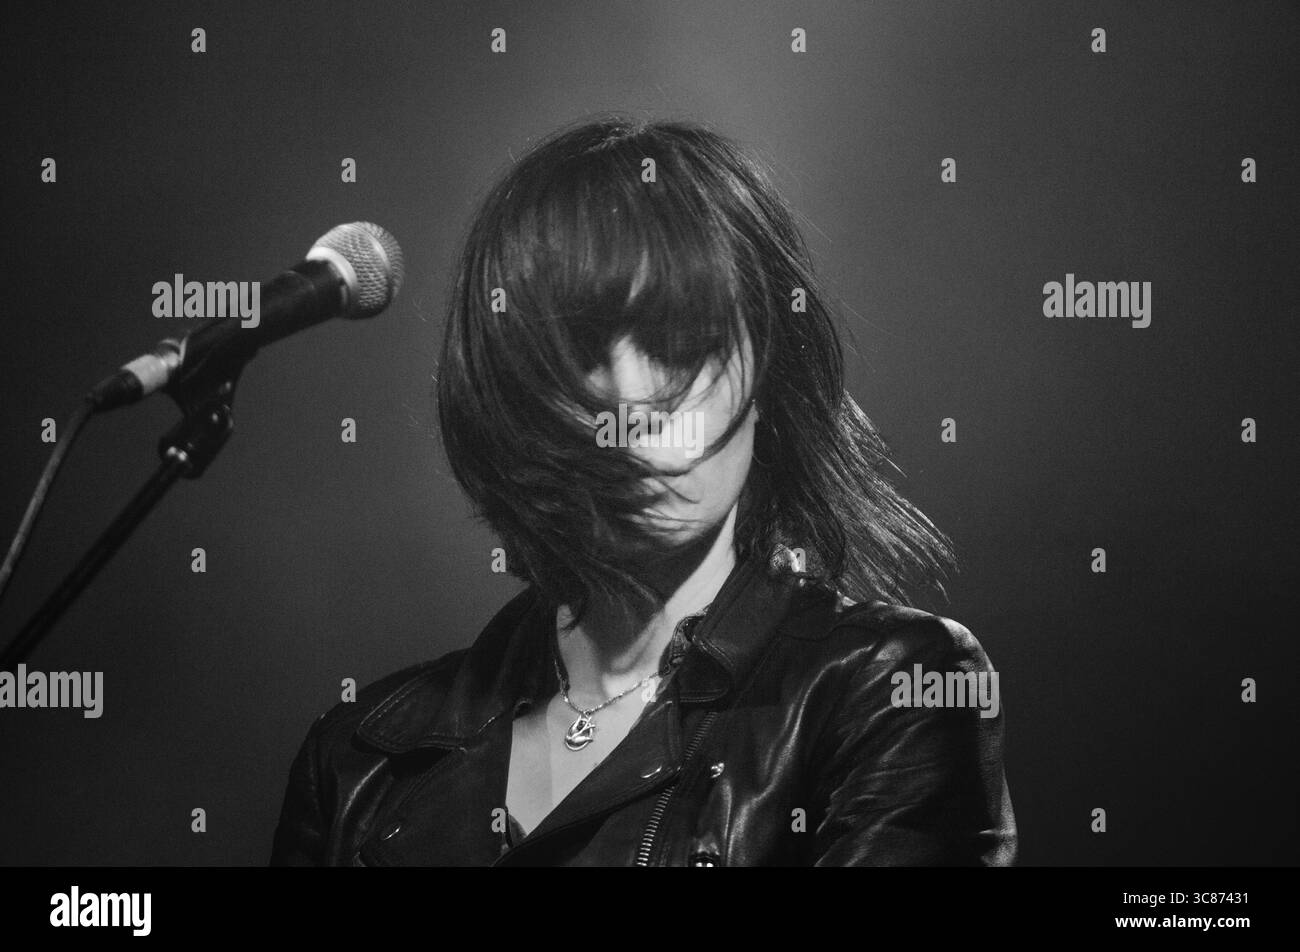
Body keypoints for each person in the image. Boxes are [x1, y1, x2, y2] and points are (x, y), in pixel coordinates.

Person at [270, 115, 1017, 866]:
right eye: (584, 351)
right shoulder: (359, 762)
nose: (631, 403)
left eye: (677, 344)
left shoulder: (889, 690)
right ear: (514, 396)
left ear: (766, 372)